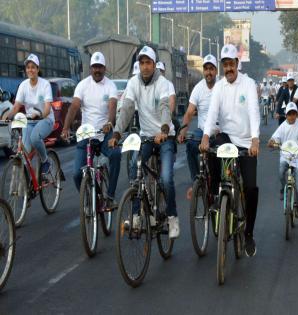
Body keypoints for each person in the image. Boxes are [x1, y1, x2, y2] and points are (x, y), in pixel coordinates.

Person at [109, 46, 180, 239]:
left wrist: (164, 129)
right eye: (141, 63)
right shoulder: (133, 83)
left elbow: (166, 107)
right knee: (134, 166)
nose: (145, 66)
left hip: (165, 137)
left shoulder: (163, 83)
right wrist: (116, 133)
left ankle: (172, 217)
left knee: (165, 178)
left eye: (148, 62)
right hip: (147, 137)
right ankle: (137, 215)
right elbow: (127, 109)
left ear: (154, 64)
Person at [200, 44, 260, 257]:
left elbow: (253, 111)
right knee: (211, 151)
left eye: (231, 64)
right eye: (224, 65)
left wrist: (255, 139)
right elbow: (211, 113)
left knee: (251, 187)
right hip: (226, 138)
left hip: (245, 142)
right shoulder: (218, 87)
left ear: (237, 64)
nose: (228, 68)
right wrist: (206, 136)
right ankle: (217, 196)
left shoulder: (249, 84)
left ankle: (249, 233)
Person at [62, 52, 121, 209]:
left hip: (104, 132)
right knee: (76, 174)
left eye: (100, 67)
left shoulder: (110, 86)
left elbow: (112, 106)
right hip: (86, 134)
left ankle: (110, 195)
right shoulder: (82, 85)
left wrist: (110, 122)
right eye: (94, 67)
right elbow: (74, 106)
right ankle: (89, 194)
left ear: (105, 68)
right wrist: (66, 127)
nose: (97, 70)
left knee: (116, 155)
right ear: (90, 68)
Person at [178, 54, 218, 199]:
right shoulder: (198, 88)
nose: (209, 72)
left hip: (221, 132)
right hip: (202, 132)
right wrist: (183, 131)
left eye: (211, 69)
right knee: (190, 145)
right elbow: (189, 112)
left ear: (216, 71)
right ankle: (197, 181)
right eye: (206, 69)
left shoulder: (222, 86)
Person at [8, 54, 54, 175]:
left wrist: (40, 115)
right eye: (28, 67)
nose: (30, 70)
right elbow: (16, 106)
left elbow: (48, 108)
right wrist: (6, 116)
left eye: (33, 67)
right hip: (30, 122)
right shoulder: (23, 85)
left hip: (46, 120)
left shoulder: (45, 84)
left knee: (34, 138)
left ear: (38, 69)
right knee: (25, 152)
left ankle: (45, 161)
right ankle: (28, 186)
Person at [268, 102, 298, 218]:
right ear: (286, 115)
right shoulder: (282, 126)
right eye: (289, 114)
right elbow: (274, 138)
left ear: (297, 114)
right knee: (281, 171)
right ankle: (283, 188)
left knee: (297, 182)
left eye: (294, 114)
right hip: (286, 156)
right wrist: (272, 142)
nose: (291, 116)